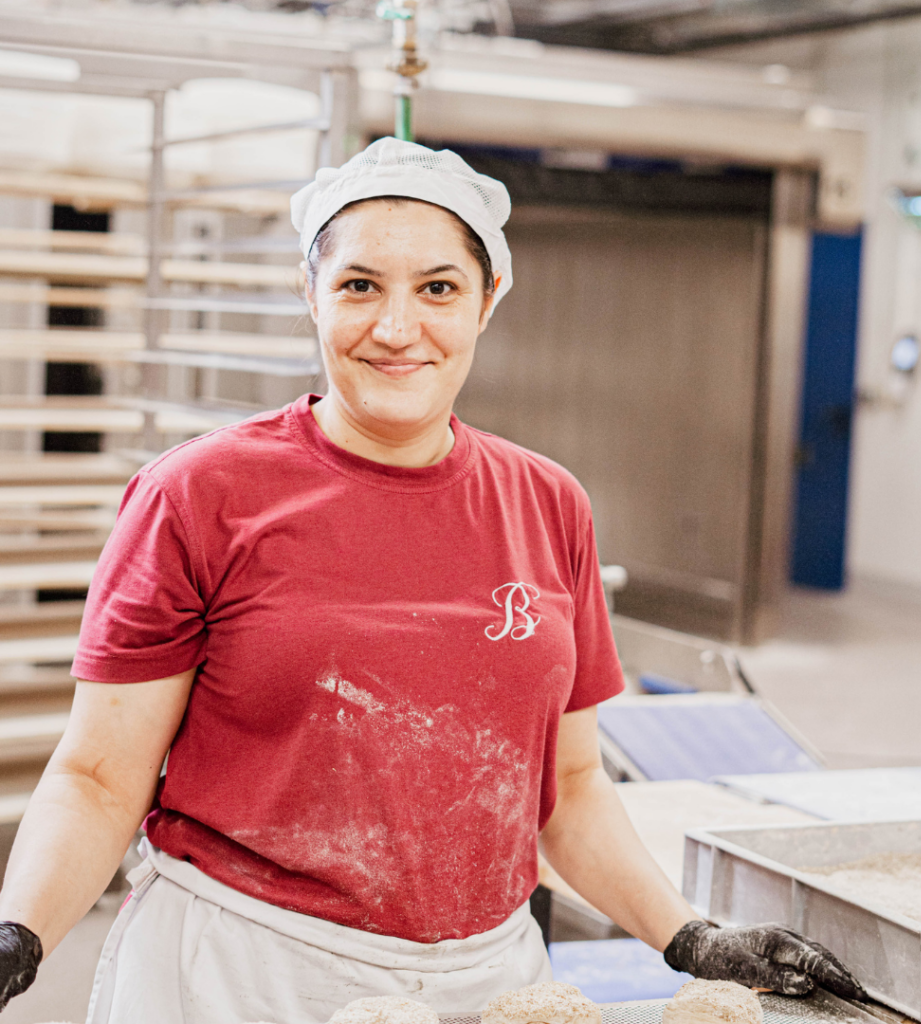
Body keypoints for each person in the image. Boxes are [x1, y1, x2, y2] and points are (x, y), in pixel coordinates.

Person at [0, 139, 865, 1023]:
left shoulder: (548, 502)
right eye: (359, 286)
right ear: (312, 294)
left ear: (489, 301)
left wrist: (691, 938)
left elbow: (568, 791)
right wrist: (17, 937)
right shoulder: (198, 495)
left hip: (485, 980)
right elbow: (102, 777)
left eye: (439, 288)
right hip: (243, 972)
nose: (397, 328)